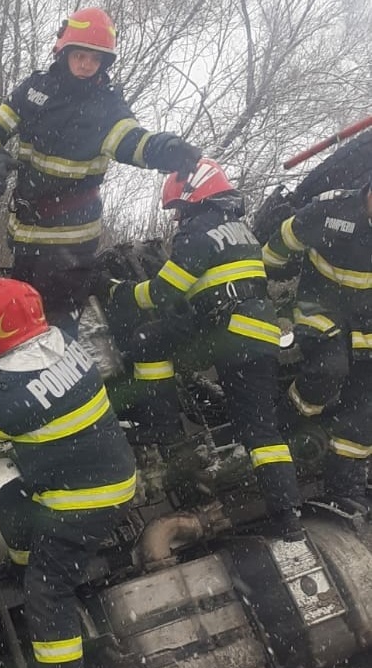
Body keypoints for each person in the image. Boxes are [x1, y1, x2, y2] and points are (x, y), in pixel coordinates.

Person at [0, 278, 136, 668]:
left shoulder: (12, 401)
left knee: (46, 592)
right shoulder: (63, 345)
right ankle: (38, 565)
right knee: (11, 502)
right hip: (104, 477)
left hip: (82, 502)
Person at [0, 6, 202, 337]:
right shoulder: (34, 91)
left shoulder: (107, 108)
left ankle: (63, 378)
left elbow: (134, 142)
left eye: (95, 59)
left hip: (71, 248)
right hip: (24, 239)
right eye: (80, 55)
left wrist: (166, 149)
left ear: (104, 64)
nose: (86, 65)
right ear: (64, 51)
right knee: (21, 326)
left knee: (56, 332)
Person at [107, 158, 304, 540]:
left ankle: (165, 434)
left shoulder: (198, 232)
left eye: (179, 209)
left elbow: (163, 291)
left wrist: (121, 293)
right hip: (261, 336)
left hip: (226, 334)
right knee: (261, 432)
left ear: (195, 197)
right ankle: (288, 514)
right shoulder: (241, 231)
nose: (177, 219)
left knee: (148, 345)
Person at [262, 172, 372, 514]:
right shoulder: (332, 210)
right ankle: (280, 433)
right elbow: (280, 244)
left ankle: (344, 486)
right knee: (329, 369)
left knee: (367, 404)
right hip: (320, 310)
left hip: (367, 325)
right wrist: (259, 284)